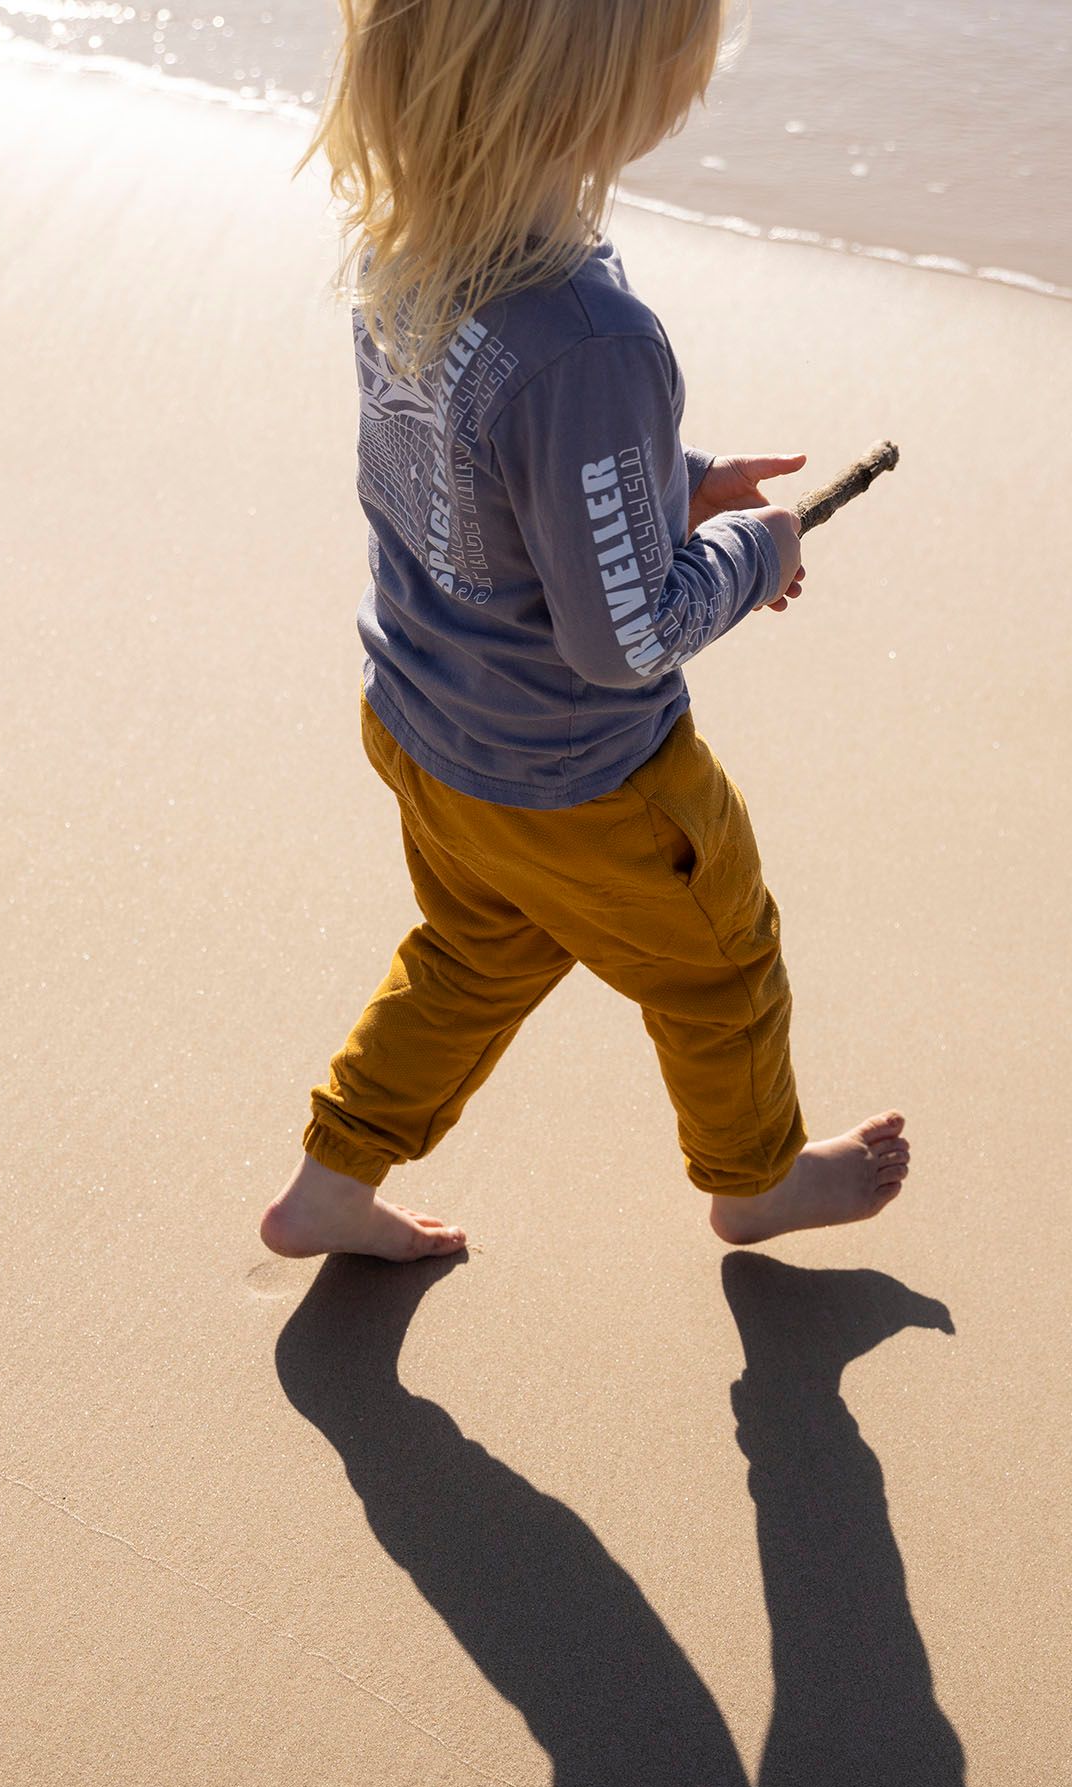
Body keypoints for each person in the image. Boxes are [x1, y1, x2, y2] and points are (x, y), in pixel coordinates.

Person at [261, 0, 911, 1262]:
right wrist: (748, 548)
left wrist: (681, 480)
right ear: (612, 95)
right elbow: (625, 638)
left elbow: (493, 479)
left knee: (474, 950)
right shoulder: (589, 337)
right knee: (722, 968)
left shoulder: (409, 251)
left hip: (424, 720)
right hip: (585, 780)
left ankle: (333, 1179)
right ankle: (755, 1182)